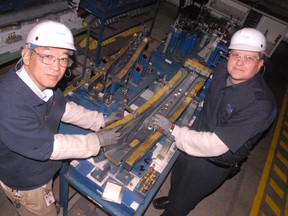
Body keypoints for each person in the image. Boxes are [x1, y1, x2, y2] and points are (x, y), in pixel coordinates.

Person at [0, 20, 123, 216]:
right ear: (26, 55)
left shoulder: (42, 83)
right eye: (47, 56)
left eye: (63, 59)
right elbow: (52, 146)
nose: (56, 68)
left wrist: (99, 120)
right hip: (26, 181)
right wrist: (97, 141)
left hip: (41, 167)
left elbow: (62, 108)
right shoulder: (9, 108)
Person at [150, 28, 277, 215]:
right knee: (177, 178)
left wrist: (173, 129)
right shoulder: (221, 70)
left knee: (184, 201)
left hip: (212, 163)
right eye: (236, 54)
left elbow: (215, 146)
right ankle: (173, 197)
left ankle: (174, 208)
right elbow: (209, 106)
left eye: (249, 58)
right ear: (229, 55)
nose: (240, 63)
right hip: (193, 138)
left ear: (260, 64)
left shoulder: (259, 105)